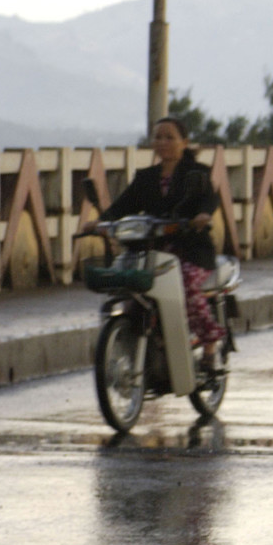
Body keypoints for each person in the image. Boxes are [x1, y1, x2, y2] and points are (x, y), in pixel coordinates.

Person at [84, 117, 226, 368]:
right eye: (158, 137)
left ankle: (209, 346)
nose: (162, 142)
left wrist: (203, 215)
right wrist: (101, 223)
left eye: (169, 137)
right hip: (152, 249)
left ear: (184, 142)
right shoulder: (145, 178)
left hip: (191, 250)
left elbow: (209, 199)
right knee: (131, 287)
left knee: (186, 283)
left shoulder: (197, 173)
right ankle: (152, 338)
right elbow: (123, 206)